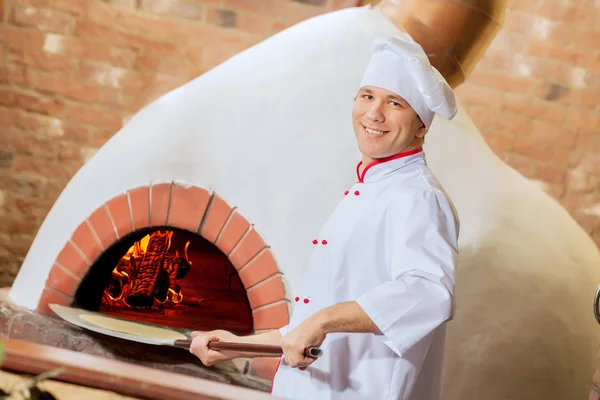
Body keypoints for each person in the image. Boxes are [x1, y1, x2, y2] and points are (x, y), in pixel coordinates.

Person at [190, 36, 460, 400]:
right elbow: (316, 328)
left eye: (394, 103)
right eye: (367, 96)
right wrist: (237, 345)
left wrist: (322, 320)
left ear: (422, 126)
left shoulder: (418, 197)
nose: (374, 114)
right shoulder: (370, 188)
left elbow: (428, 293)